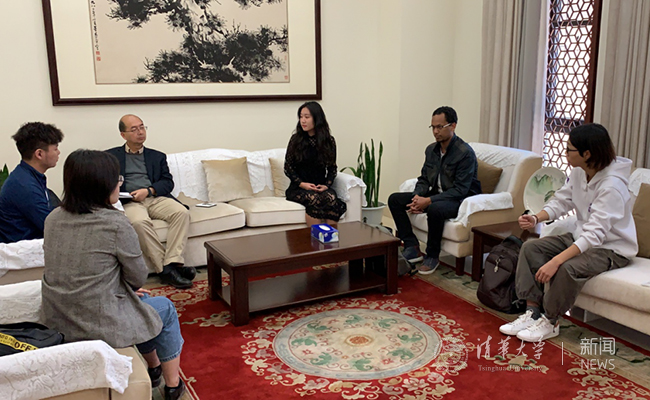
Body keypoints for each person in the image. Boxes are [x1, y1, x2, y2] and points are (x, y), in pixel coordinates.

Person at [41, 150, 186, 400]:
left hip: (58, 315)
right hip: (97, 322)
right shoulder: (115, 222)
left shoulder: (53, 218)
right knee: (164, 308)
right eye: (117, 179)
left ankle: (153, 369)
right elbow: (138, 277)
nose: (120, 183)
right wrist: (127, 288)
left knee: (140, 301)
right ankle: (173, 386)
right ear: (101, 185)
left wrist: (124, 289)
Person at [499, 123, 637, 342]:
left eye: (569, 149)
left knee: (567, 267)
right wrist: (536, 217)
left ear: (587, 154)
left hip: (611, 248)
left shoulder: (612, 186)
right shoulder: (580, 172)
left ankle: (550, 320)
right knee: (531, 248)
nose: (566, 153)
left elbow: (594, 235)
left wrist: (555, 261)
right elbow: (562, 201)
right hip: (581, 237)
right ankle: (532, 311)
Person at [388, 106, 481, 274]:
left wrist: (428, 201)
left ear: (453, 126)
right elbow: (424, 179)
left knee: (435, 208)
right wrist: (417, 197)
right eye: (433, 127)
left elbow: (460, 189)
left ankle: (432, 256)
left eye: (440, 127)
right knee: (394, 199)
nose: (435, 131)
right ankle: (411, 245)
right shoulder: (431, 150)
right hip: (437, 194)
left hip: (459, 199)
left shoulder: (465, 153)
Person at [107, 115, 194, 289]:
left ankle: (171, 263)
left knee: (181, 212)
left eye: (142, 127)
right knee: (139, 222)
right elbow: (106, 183)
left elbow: (167, 182)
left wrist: (149, 191)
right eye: (134, 129)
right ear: (123, 135)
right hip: (130, 202)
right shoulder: (110, 157)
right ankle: (167, 271)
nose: (140, 132)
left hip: (154, 198)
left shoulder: (157, 156)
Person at [284, 101, 347, 226]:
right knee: (314, 199)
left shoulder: (329, 141)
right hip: (299, 187)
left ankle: (330, 237)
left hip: (319, 186)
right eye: (301, 117)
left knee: (331, 199)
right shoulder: (296, 140)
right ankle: (315, 237)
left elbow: (332, 168)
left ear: (317, 118)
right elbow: (288, 167)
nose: (303, 121)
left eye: (307, 117)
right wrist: (302, 184)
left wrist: (327, 185)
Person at [0, 122, 63, 243]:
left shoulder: (26, 176)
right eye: (55, 148)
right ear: (39, 154)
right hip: (25, 249)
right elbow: (52, 228)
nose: (58, 152)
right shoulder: (24, 186)